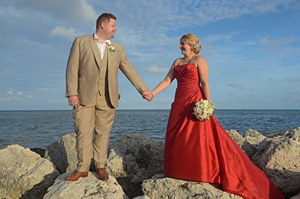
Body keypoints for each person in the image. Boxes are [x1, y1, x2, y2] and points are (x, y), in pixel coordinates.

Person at [149, 33, 284, 199]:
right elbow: (167, 80)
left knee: (195, 137)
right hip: (179, 103)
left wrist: (207, 105)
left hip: (194, 102)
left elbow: (204, 83)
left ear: (191, 45)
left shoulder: (199, 60)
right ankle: (177, 169)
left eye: (182, 43)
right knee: (176, 135)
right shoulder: (176, 62)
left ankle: (199, 172)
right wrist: (153, 93)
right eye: (180, 43)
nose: (180, 46)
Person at [65, 13, 153, 181]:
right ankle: (82, 169)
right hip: (83, 97)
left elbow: (129, 70)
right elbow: (71, 69)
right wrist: (72, 93)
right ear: (103, 25)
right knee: (83, 132)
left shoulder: (117, 48)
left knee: (103, 133)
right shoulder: (80, 42)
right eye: (113, 26)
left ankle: (100, 166)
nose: (116, 29)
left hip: (108, 98)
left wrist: (143, 90)